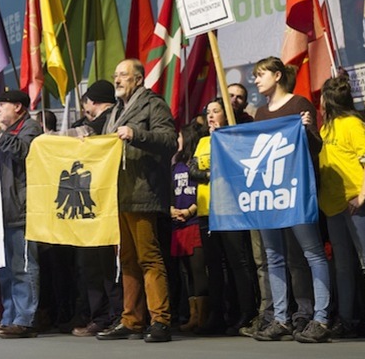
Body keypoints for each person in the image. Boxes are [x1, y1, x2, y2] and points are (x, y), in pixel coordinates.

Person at [249, 57, 332, 343]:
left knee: (312, 253)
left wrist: (308, 130)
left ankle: (320, 318)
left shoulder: (299, 105)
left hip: (294, 192)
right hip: (268, 194)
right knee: (273, 256)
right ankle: (281, 318)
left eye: (260, 75)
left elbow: (314, 148)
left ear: (277, 75)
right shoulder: (260, 113)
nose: (256, 81)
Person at [96, 59, 176, 343]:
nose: (117, 80)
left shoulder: (153, 104)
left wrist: (136, 134)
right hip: (120, 194)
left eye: (123, 75)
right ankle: (131, 320)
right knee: (127, 259)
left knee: (148, 257)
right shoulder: (116, 111)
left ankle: (161, 320)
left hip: (144, 192)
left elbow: (169, 140)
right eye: (115, 74)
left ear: (138, 79)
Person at [319, 76, 365, 339]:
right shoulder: (327, 128)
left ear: (329, 99)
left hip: (353, 202)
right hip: (332, 204)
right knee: (343, 265)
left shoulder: (353, 124)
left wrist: (361, 195)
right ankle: (346, 319)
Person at [58, 80, 123, 338]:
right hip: (89, 203)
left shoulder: (110, 120)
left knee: (105, 265)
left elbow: (105, 136)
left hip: (103, 203)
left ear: (91, 101)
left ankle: (112, 316)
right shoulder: (89, 126)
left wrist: (83, 133)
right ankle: (102, 315)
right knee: (92, 265)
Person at [188, 99, 258, 336]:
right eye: (207, 112)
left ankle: (246, 312)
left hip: (230, 209)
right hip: (207, 211)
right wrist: (210, 173)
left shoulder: (234, 139)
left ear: (226, 115)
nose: (210, 116)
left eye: (215, 111)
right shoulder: (202, 142)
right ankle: (216, 315)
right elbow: (193, 171)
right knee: (214, 267)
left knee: (237, 263)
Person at [0, 89, 43, 339]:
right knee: (6, 270)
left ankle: (24, 319)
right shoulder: (1, 134)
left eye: (2, 105)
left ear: (18, 107)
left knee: (24, 267)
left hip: (22, 210)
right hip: (2, 212)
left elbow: (25, 152)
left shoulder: (31, 128)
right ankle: (9, 317)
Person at [171, 124, 207, 332]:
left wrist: (190, 211)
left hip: (193, 222)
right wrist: (172, 209)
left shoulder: (196, 165)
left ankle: (202, 316)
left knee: (198, 270)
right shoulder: (175, 166)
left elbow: (200, 192)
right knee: (185, 272)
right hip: (178, 224)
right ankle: (192, 315)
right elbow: (169, 191)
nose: (178, 140)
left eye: (180, 136)